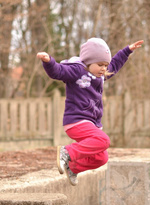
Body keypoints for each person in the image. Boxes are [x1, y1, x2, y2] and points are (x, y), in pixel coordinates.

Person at [37, 38, 144, 186]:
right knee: (104, 140)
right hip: (76, 121)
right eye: (100, 65)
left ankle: (73, 168)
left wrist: (127, 51)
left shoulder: (100, 76)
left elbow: (115, 64)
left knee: (101, 158)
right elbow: (58, 71)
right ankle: (66, 152)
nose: (103, 69)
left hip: (91, 124)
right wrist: (48, 62)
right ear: (88, 62)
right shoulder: (76, 70)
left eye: (105, 65)